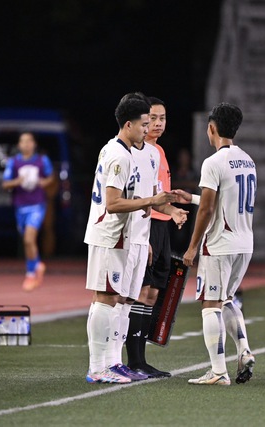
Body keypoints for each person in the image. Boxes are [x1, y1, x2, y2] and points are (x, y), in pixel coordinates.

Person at [84, 94, 178, 384]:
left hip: (133, 238)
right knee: (106, 298)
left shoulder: (143, 153)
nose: (148, 129)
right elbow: (113, 203)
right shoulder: (116, 154)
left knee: (124, 301)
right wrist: (151, 201)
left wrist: (167, 210)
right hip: (111, 236)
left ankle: (114, 363)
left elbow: (146, 199)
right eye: (144, 124)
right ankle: (98, 367)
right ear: (128, 124)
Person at [182, 102, 256, 386]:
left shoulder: (213, 163)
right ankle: (244, 350)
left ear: (211, 128)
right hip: (244, 243)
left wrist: (192, 247)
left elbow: (208, 210)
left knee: (210, 304)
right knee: (227, 298)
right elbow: (227, 201)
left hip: (219, 243)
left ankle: (218, 371)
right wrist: (189, 198)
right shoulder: (247, 160)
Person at [1, 132, 54, 291]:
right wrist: (17, 181)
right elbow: (5, 184)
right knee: (27, 241)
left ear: (34, 144)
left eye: (29, 141)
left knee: (29, 239)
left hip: (37, 205)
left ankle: (30, 273)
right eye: (23, 141)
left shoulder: (42, 160)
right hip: (20, 206)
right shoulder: (13, 162)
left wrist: (44, 182)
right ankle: (37, 264)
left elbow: (51, 177)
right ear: (19, 145)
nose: (26, 144)